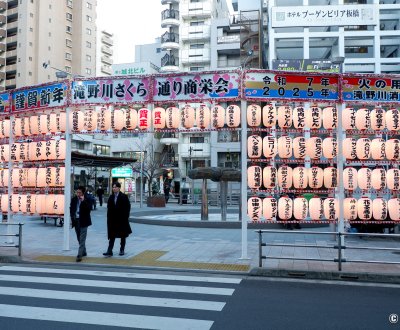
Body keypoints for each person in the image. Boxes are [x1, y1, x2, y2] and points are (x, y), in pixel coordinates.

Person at [103, 182, 132, 257]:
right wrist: (108, 218)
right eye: (113, 187)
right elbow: (109, 209)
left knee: (123, 235)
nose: (114, 188)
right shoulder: (111, 197)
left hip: (121, 219)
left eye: (115, 187)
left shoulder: (124, 196)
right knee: (112, 235)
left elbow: (128, 208)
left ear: (119, 188)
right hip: (113, 220)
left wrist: (125, 217)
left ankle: (122, 249)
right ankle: (109, 250)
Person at [70, 186, 92, 262]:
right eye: (77, 192)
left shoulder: (87, 199)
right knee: (79, 237)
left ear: (83, 193)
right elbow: (72, 209)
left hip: (84, 221)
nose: (78, 194)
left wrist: (84, 201)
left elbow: (89, 209)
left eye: (79, 192)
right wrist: (72, 218)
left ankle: (79, 255)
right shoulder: (74, 199)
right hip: (76, 221)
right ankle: (84, 251)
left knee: (82, 238)